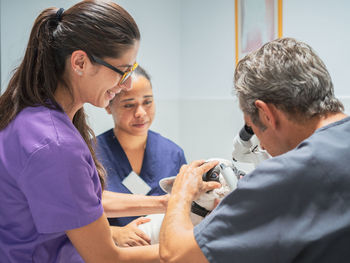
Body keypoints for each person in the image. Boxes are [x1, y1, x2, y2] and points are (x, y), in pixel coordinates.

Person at [159, 37, 350, 263]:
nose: (263, 145)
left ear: (266, 114)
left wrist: (181, 194)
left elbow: (175, 255)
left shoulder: (285, 176)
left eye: (252, 127)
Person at [0, 1, 159, 262]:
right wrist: (193, 248)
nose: (127, 83)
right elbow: (107, 257)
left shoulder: (31, 115)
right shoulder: (56, 145)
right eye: (122, 71)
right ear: (80, 62)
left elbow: (79, 201)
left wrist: (166, 202)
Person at [96, 65, 187, 246]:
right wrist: (113, 233)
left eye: (147, 102)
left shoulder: (172, 153)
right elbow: (74, 216)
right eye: (129, 105)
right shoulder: (91, 154)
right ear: (108, 105)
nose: (141, 113)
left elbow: (183, 214)